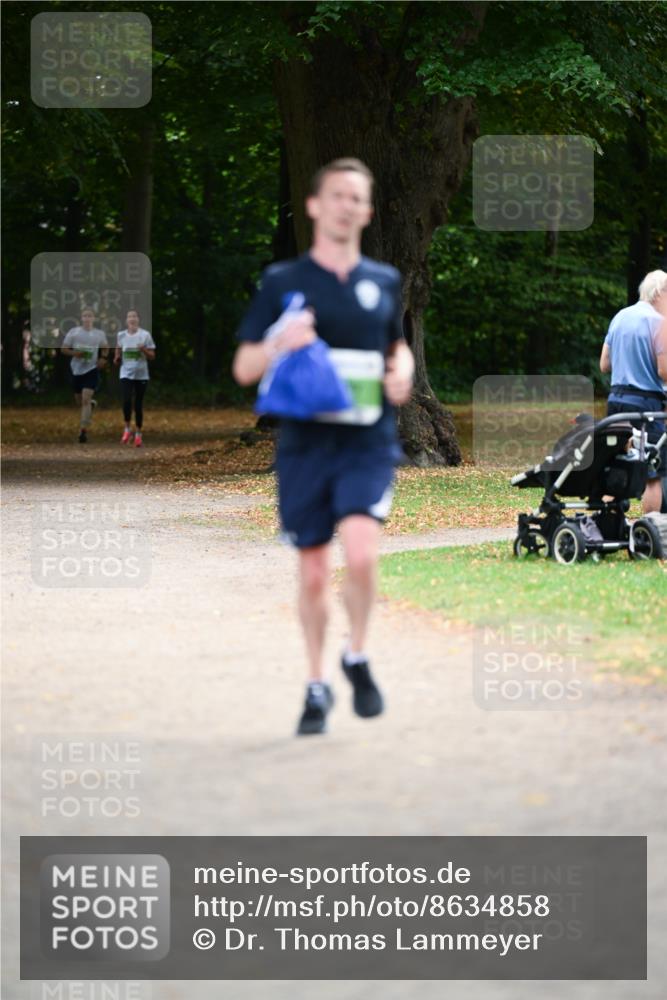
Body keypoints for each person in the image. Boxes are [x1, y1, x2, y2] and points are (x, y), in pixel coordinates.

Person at [232, 158, 414, 735]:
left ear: (367, 211)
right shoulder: (284, 281)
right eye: (336, 195)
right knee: (313, 573)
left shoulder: (382, 281)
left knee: (360, 554)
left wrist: (402, 371)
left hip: (367, 442)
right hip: (306, 447)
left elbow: (397, 346)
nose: (346, 205)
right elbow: (243, 367)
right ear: (314, 206)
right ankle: (316, 686)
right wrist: (282, 341)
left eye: (356, 197)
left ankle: (355, 655)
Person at [600, 270, 667, 514]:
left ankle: (607, 523)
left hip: (616, 402)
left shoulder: (620, 317)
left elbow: (604, 364)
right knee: (652, 471)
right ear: (659, 292)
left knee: (614, 462)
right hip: (646, 406)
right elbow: (664, 370)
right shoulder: (659, 323)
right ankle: (652, 530)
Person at [61, 308, 109, 443]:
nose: (87, 318)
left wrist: (103, 358)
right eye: (85, 316)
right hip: (76, 371)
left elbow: (105, 347)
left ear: (94, 319)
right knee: (79, 401)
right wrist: (75, 353)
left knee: (85, 399)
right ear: (81, 318)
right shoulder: (74, 332)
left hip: (91, 370)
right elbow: (63, 349)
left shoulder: (99, 334)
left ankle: (83, 431)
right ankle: (91, 404)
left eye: (90, 316)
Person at [113, 309, 156, 447]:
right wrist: (117, 358)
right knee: (126, 401)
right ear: (126, 320)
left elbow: (152, 356)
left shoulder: (145, 335)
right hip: (125, 373)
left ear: (138, 319)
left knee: (138, 404)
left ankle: (138, 433)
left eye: (134, 316)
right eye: (129, 316)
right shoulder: (121, 335)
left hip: (141, 375)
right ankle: (127, 429)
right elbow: (117, 352)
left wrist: (143, 349)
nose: (132, 319)